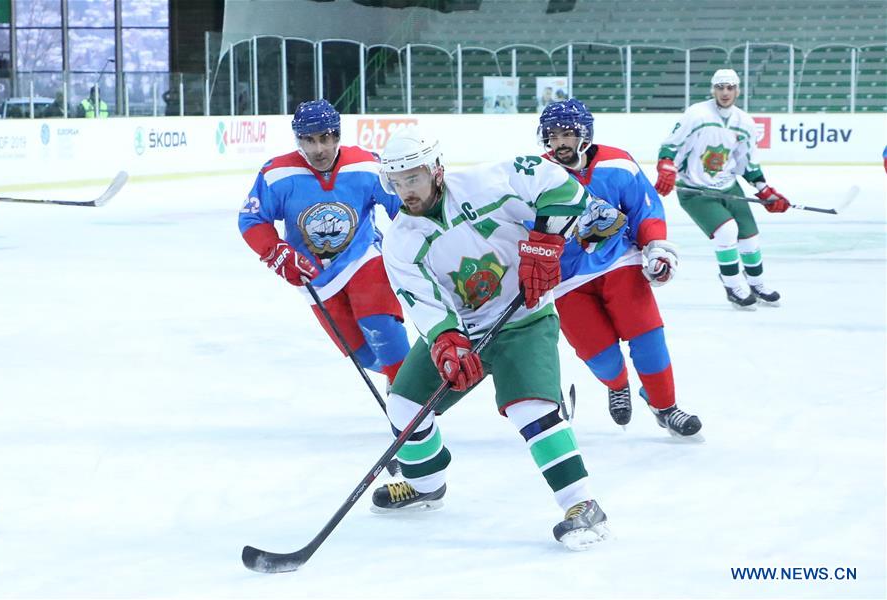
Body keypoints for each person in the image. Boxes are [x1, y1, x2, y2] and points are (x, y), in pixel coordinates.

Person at [372, 126, 610, 551]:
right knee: (404, 405)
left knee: (531, 410)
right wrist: (447, 342)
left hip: (525, 319)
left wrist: (544, 242)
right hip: (465, 329)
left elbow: (562, 187)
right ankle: (426, 484)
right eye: (397, 181)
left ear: (436, 170)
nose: (406, 189)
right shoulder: (400, 241)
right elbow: (424, 301)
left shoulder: (486, 183)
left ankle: (582, 503)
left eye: (414, 177)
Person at [537, 99, 701, 436]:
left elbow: (645, 210)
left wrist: (655, 247)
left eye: (567, 134)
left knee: (648, 337)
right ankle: (618, 384)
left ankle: (665, 406)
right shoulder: (537, 175)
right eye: (552, 135)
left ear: (585, 135)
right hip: (566, 280)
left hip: (619, 261)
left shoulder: (618, 163)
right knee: (600, 355)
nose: (559, 142)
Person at [238, 99, 410, 390]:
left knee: (380, 323)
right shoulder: (277, 174)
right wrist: (276, 251)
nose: (318, 149)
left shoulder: (367, 165)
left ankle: (408, 390)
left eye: (325, 138)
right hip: (314, 276)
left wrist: (416, 242)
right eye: (309, 140)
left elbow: (403, 208)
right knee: (363, 355)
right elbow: (252, 220)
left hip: (363, 258)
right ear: (299, 140)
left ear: (337, 136)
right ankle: (411, 375)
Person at [653, 69, 788, 310]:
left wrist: (764, 190)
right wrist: (666, 166)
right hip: (694, 189)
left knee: (749, 238)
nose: (725, 93)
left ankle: (756, 283)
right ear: (713, 89)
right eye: (720, 87)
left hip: (728, 186)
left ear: (738, 90)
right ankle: (733, 285)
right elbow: (671, 145)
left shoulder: (744, 122)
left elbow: (747, 163)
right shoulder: (696, 114)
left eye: (730, 88)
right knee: (727, 232)